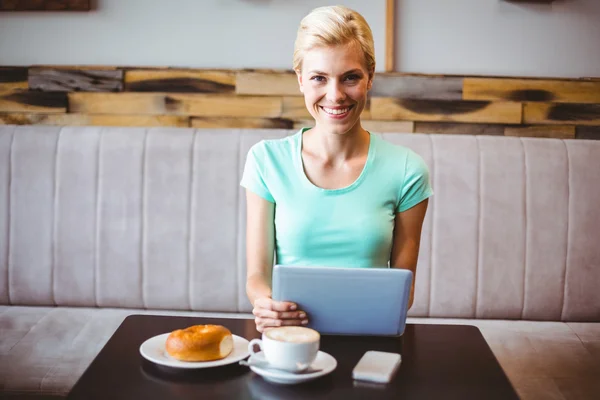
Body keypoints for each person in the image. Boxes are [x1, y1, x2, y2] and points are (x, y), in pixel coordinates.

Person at [241, 5, 433, 333]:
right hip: (290, 339)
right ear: (301, 79)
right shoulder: (266, 161)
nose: (335, 95)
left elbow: (405, 288)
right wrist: (266, 304)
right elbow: (257, 276)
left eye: (350, 77)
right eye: (319, 78)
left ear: (370, 77)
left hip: (371, 337)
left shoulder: (407, 171)